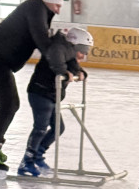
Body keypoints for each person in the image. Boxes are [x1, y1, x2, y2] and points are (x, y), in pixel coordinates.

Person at [0, 0, 65, 174]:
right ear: (48, 1)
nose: (58, 11)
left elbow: (44, 41)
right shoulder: (35, 7)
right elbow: (42, 40)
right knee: (9, 104)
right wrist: (59, 63)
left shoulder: (39, 10)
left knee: (10, 104)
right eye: (57, 6)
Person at [19, 27, 93, 177]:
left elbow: (73, 64)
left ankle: (38, 156)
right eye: (83, 50)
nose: (84, 55)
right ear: (75, 45)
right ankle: (26, 162)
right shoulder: (58, 47)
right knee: (40, 128)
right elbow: (56, 60)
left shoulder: (69, 51)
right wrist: (63, 72)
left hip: (51, 95)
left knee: (58, 128)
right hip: (40, 92)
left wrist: (80, 72)